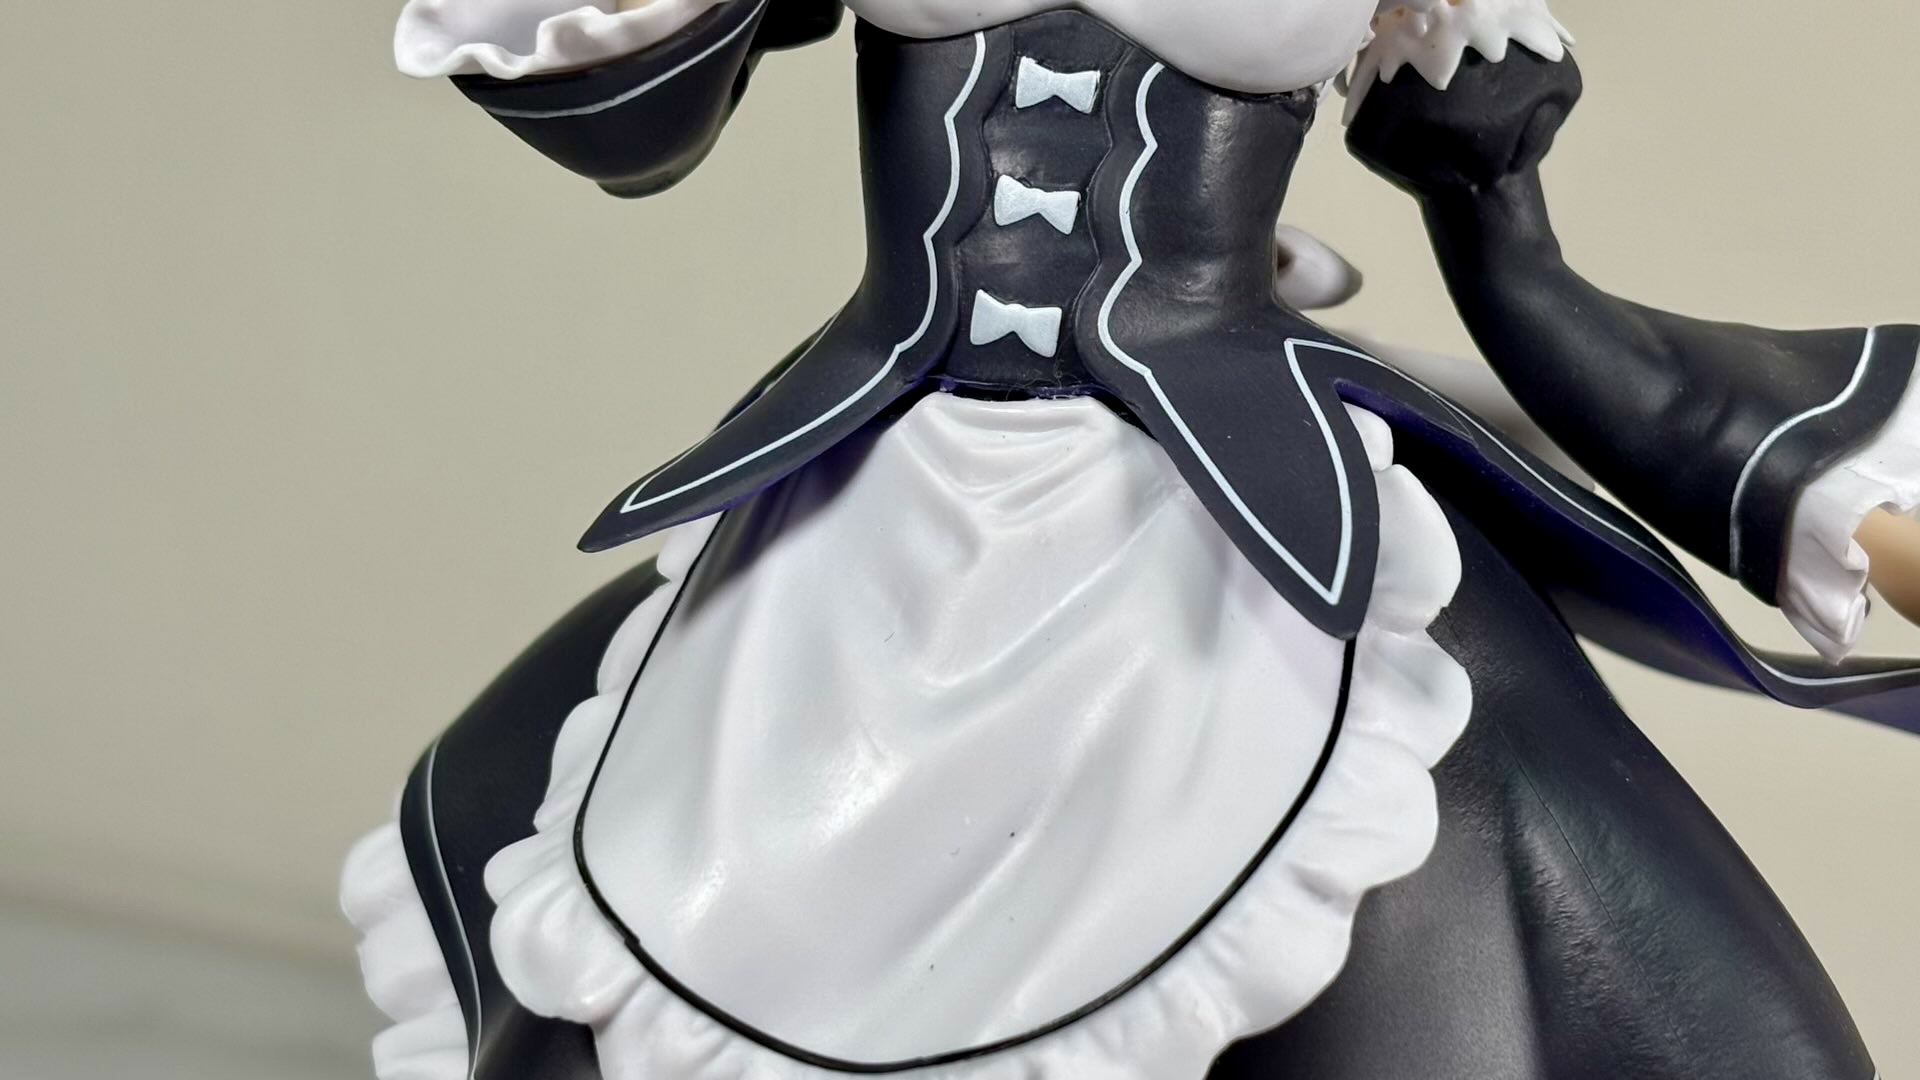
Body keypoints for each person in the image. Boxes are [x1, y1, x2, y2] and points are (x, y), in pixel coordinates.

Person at [343, 2, 1919, 1077]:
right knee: (634, 918)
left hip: (1236, 523)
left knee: (1492, 922)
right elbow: (627, 125)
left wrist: (1838, 503)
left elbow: (1532, 291)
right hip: (869, 502)